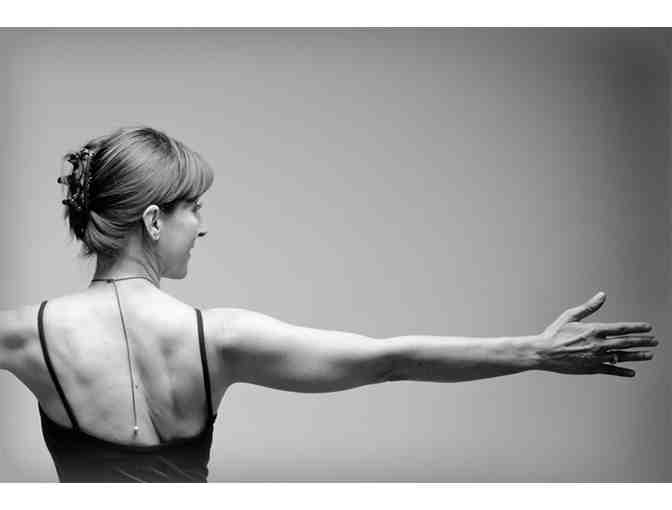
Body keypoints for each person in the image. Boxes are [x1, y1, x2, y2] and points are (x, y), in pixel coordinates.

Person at [0, 126, 658, 482]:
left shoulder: (26, 335)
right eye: (193, 208)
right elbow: (390, 361)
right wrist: (536, 351)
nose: (201, 226)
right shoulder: (220, 339)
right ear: (151, 220)